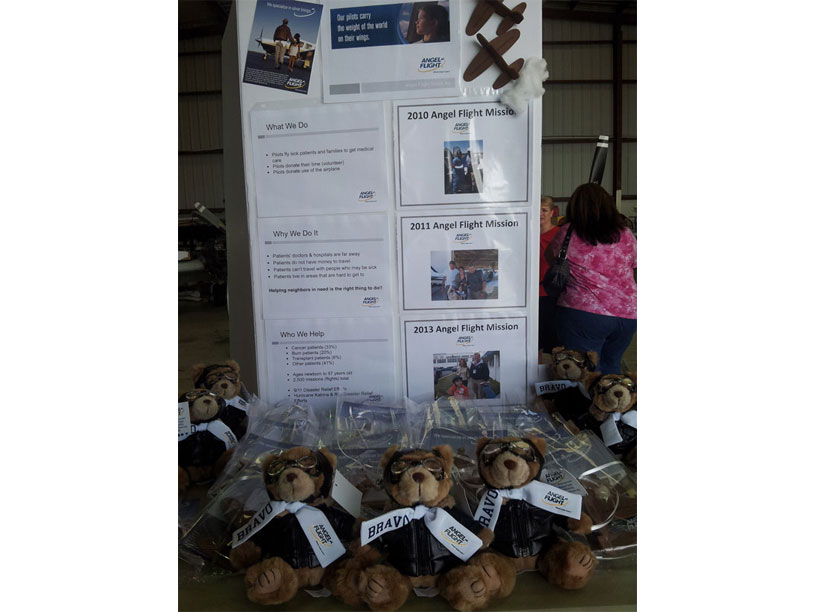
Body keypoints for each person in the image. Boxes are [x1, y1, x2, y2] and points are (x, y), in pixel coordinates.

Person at [544, 183, 636, 374]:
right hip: (627, 314)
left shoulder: (567, 232)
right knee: (611, 369)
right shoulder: (625, 232)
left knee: (581, 374)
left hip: (583, 313)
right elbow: (635, 264)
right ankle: (611, 402)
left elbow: (549, 257)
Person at [538, 196, 561, 354]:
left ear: (552, 212)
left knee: (553, 343)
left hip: (551, 294)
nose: (540, 213)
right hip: (531, 294)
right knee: (534, 342)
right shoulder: (527, 232)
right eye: (537, 210)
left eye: (544, 210)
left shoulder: (559, 235)